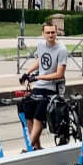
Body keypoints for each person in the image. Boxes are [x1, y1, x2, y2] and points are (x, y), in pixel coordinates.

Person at [20, 21, 69, 150]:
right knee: (28, 115)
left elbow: (59, 74)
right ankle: (37, 147)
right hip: (39, 86)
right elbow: (40, 61)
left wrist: (38, 77)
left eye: (53, 32)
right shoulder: (41, 45)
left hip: (52, 88)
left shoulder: (62, 50)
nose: (50, 35)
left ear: (56, 33)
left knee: (38, 116)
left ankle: (29, 148)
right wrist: (27, 72)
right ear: (43, 34)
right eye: (47, 32)